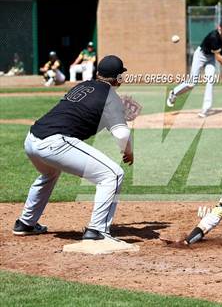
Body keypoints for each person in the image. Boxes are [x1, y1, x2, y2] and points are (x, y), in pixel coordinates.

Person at [13, 55, 134, 242]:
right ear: (118, 78)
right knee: (113, 175)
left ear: (98, 73)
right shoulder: (112, 98)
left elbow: (83, 110)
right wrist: (128, 151)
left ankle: (26, 223)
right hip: (55, 142)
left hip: (32, 138)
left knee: (49, 174)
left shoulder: (82, 85)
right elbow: (122, 135)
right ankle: (97, 231)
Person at [166, 18, 222, 118]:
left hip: (211, 58)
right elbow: (218, 57)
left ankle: (205, 109)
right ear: (219, 26)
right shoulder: (214, 36)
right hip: (200, 56)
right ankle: (174, 93)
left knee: (210, 80)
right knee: (192, 83)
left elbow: (219, 52)